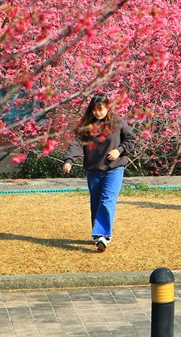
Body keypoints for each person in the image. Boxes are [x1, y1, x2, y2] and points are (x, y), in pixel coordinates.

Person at [63, 93, 136, 252]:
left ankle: (103, 235)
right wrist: (69, 160)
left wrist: (119, 150)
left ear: (107, 107)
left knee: (107, 200)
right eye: (95, 110)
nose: (98, 113)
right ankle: (98, 236)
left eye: (101, 109)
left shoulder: (118, 122)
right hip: (93, 169)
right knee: (96, 202)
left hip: (114, 168)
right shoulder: (87, 125)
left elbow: (131, 140)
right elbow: (77, 144)